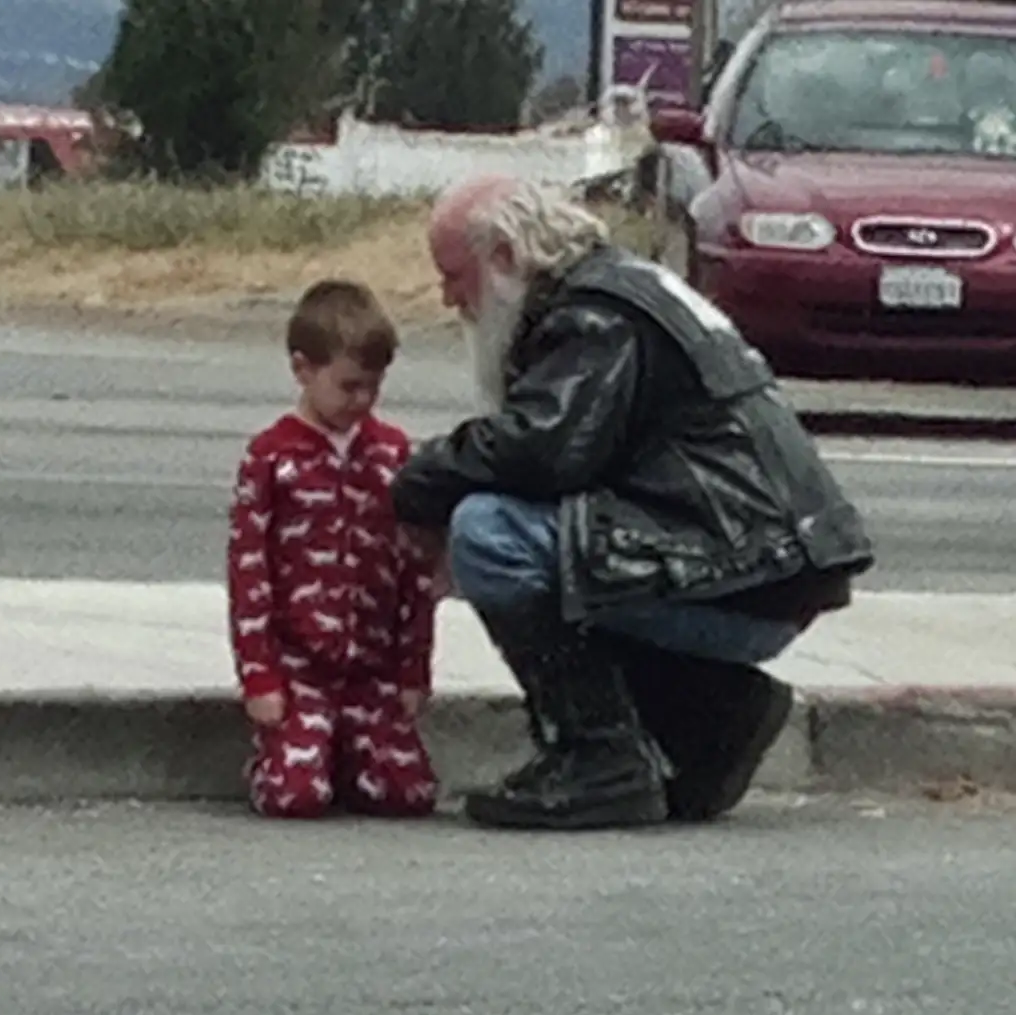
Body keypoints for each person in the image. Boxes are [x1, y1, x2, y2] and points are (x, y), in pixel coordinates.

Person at [389, 174, 875, 831]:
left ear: (503, 255)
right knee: (563, 545)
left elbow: (542, 450)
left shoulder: (595, 315)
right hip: (768, 567)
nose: (450, 298)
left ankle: (596, 758)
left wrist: (417, 483)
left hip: (740, 570)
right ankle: (713, 712)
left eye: (454, 276)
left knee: (491, 533)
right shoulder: (621, 287)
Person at [226, 279, 439, 819]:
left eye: (374, 387)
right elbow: (249, 575)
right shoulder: (271, 457)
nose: (361, 401)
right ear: (303, 370)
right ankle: (289, 756)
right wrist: (260, 677)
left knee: (407, 794)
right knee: (295, 797)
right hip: (301, 669)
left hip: (373, 668)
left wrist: (412, 671)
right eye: (348, 387)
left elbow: (416, 573)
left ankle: (351, 755)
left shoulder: (391, 453)